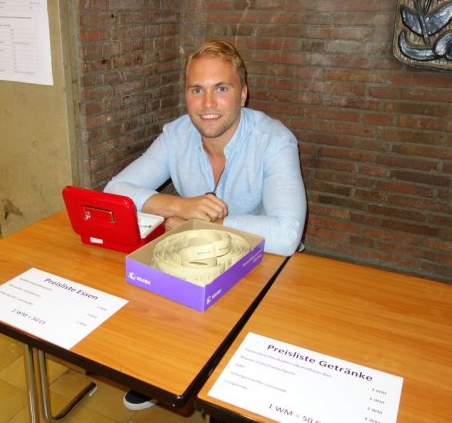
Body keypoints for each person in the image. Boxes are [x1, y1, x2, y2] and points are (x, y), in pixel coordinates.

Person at [105, 39, 307, 410]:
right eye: (197, 90)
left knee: (239, 384)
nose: (208, 104)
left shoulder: (275, 141)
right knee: (138, 291)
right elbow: (115, 190)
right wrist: (180, 206)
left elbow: (287, 234)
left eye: (221, 89)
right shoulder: (177, 135)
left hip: (261, 264)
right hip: (196, 258)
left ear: (242, 94)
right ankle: (169, 368)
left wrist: (199, 222)